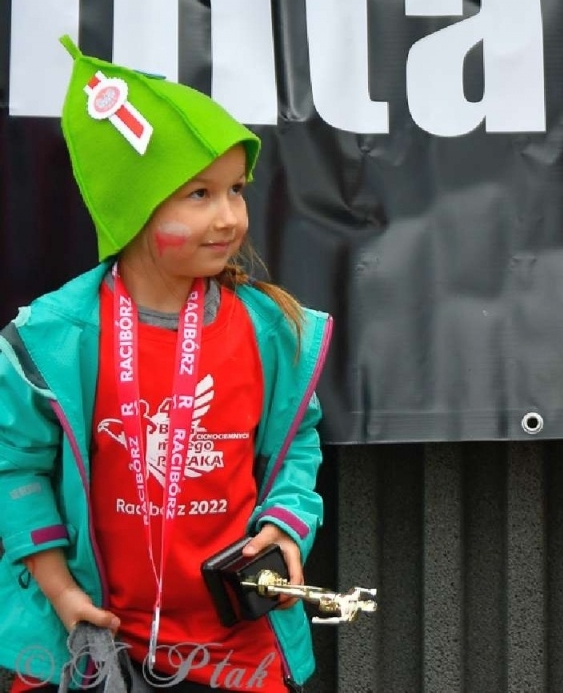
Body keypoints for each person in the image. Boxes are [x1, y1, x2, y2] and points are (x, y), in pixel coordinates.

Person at [0, 39, 329, 692]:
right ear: (133, 206)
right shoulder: (55, 339)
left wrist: (285, 529)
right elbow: (17, 468)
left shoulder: (272, 331)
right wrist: (61, 593)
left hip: (237, 656)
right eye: (199, 194)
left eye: (236, 190)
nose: (229, 217)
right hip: (90, 648)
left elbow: (297, 446)